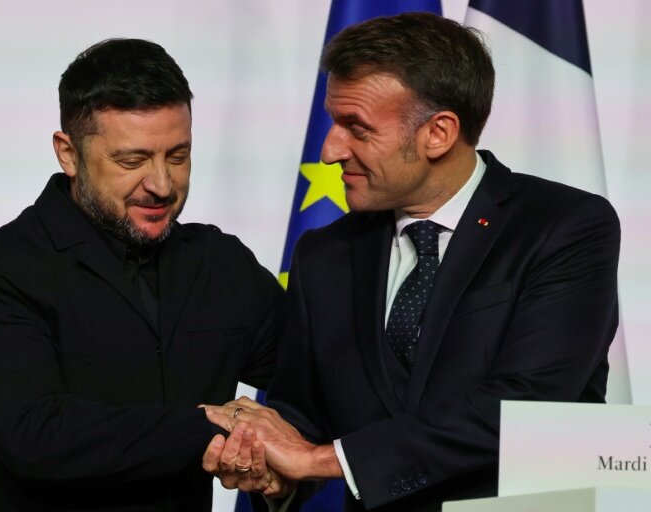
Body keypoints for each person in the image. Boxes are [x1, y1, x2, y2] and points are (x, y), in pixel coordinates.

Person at [202, 12, 620, 511]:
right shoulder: (324, 255)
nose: (331, 149)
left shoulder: (564, 227)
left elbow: (527, 407)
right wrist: (272, 471)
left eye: (356, 127)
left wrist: (321, 461)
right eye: (334, 122)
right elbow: (302, 420)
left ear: (438, 133)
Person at [0, 38, 283, 511]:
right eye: (132, 161)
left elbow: (314, 374)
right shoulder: (0, 276)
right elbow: (34, 433)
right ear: (68, 154)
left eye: (178, 156)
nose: (162, 184)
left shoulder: (220, 263)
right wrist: (204, 427)